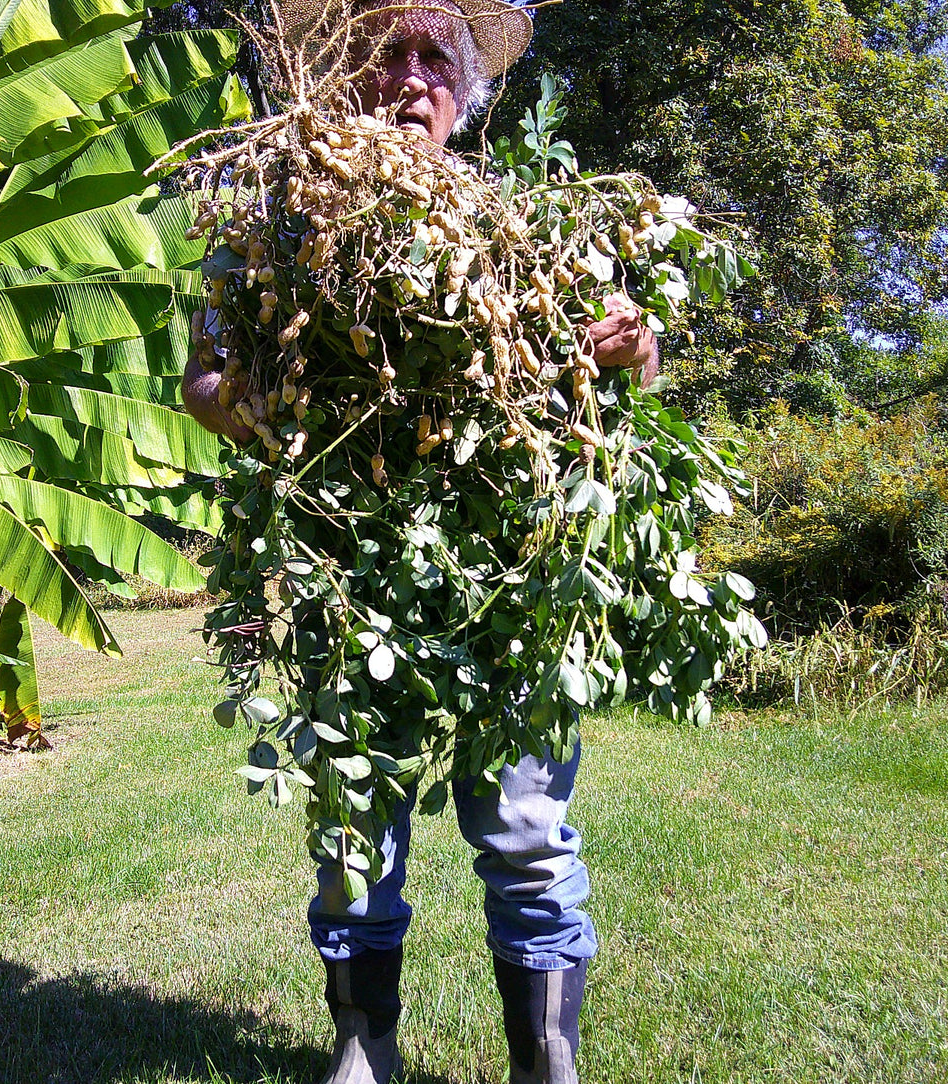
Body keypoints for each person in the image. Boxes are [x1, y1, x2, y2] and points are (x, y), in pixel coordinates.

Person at [182, 2, 658, 1080]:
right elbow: (201, 379)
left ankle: (546, 1057)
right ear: (344, 77)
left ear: (465, 91)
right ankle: (365, 1044)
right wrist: (264, 404)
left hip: (505, 570)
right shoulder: (274, 228)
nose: (407, 76)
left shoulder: (527, 222)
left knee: (528, 827)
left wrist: (634, 343)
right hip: (346, 564)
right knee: (357, 822)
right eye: (385, 53)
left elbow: (633, 350)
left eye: (431, 57)